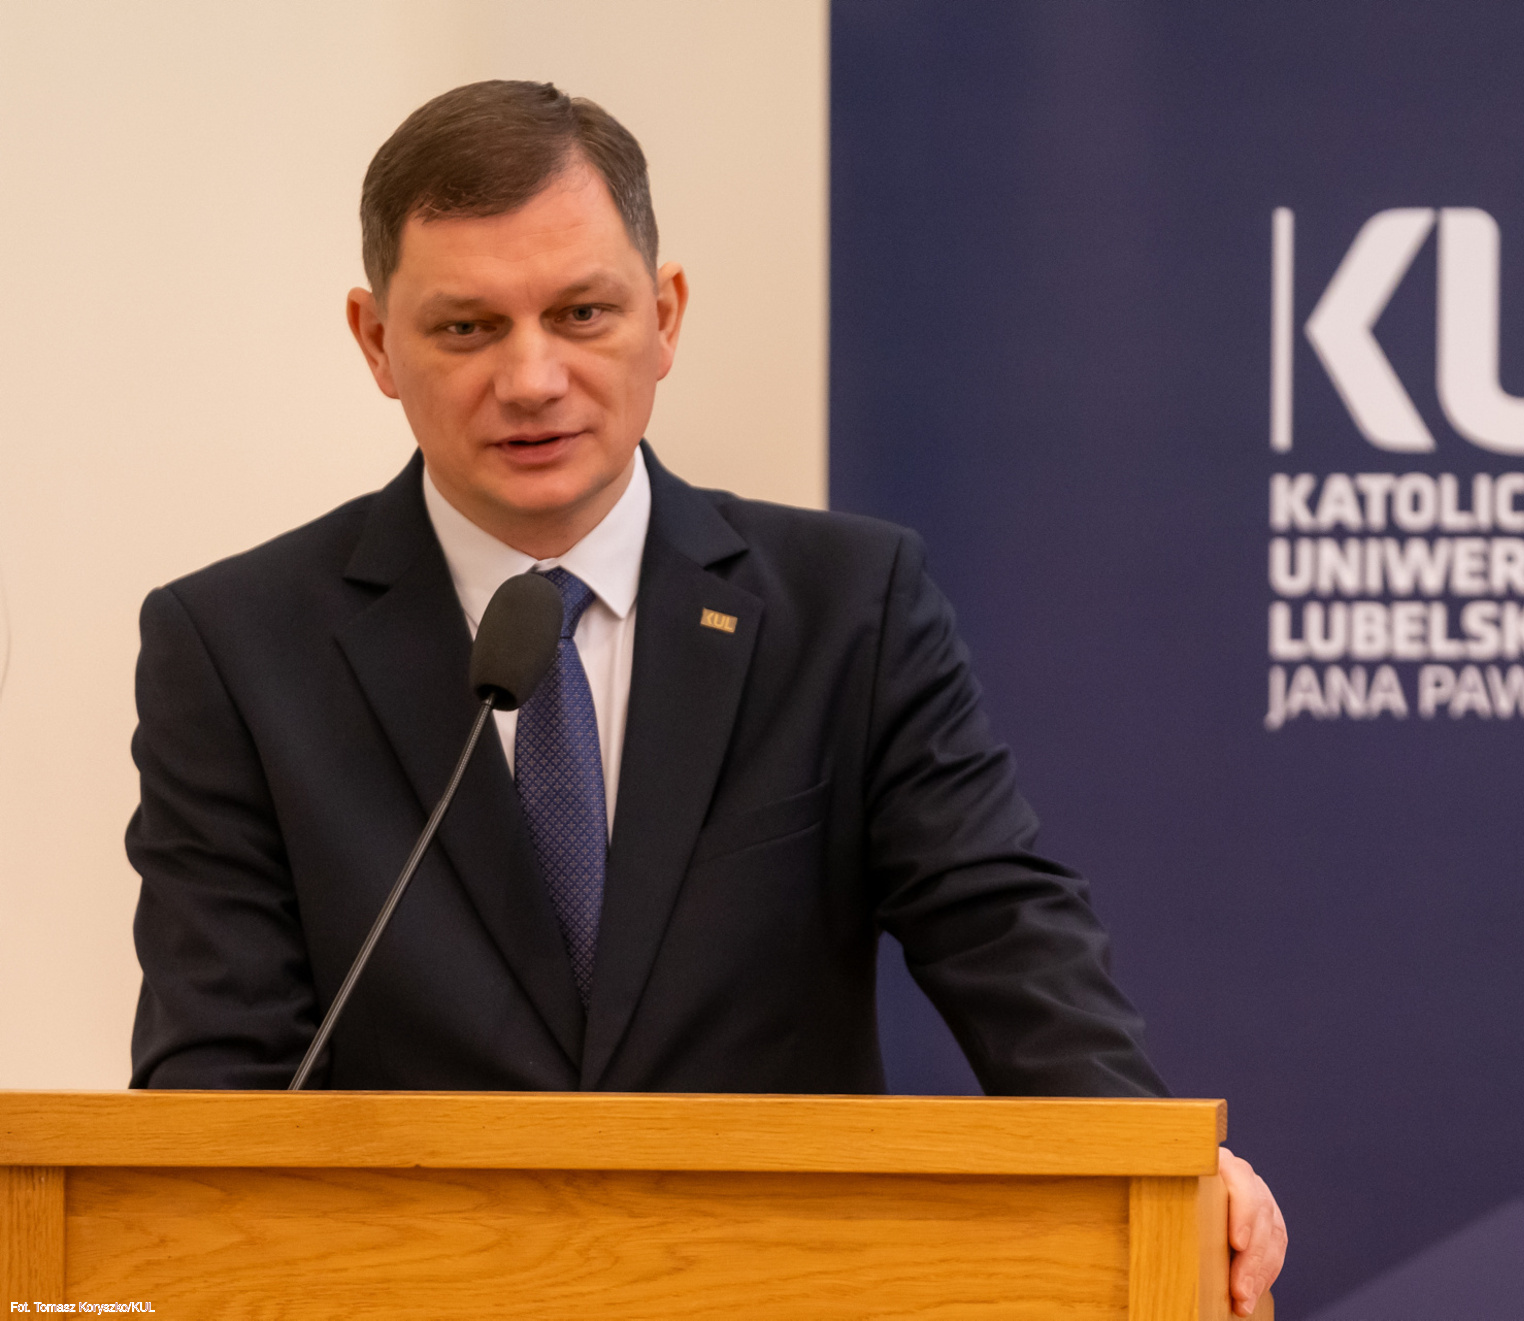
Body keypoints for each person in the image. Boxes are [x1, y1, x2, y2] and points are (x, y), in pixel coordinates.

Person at [126, 80, 1285, 1311]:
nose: (532, 377)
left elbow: (1000, 926)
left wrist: (1152, 1163)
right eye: (467, 327)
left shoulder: (848, 606)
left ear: (665, 315)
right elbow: (217, 1075)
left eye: (582, 313)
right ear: (375, 342)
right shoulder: (236, 645)